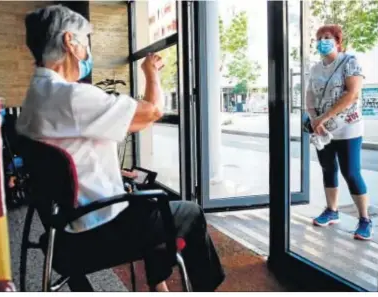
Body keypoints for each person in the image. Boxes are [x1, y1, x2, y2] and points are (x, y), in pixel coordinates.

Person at [16, 5, 224, 291]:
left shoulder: (33, 99)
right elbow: (151, 112)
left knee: (146, 203)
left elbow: (72, 157)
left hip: (61, 228)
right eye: (85, 42)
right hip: (97, 232)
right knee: (190, 212)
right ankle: (207, 289)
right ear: (69, 42)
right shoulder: (72, 97)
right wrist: (151, 72)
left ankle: (158, 288)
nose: (87, 51)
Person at [305, 24, 372, 240]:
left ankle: (364, 219)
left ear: (337, 41)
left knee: (351, 172)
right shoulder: (315, 69)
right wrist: (315, 119)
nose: (322, 41)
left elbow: (352, 94)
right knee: (328, 168)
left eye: (327, 37)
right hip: (322, 129)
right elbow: (310, 97)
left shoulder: (349, 61)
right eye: (319, 38)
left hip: (347, 127)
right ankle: (332, 211)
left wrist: (323, 118)